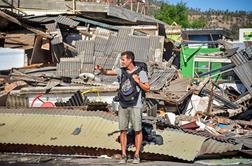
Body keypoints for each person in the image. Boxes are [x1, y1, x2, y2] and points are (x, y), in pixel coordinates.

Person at [95, 51, 150, 164]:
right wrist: (101, 69)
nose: (121, 61)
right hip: (123, 104)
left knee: (137, 130)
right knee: (123, 130)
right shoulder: (121, 71)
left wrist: (138, 81)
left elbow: (147, 88)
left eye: (123, 59)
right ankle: (124, 155)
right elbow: (107, 72)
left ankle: (136, 155)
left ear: (130, 60)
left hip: (136, 105)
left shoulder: (141, 72)